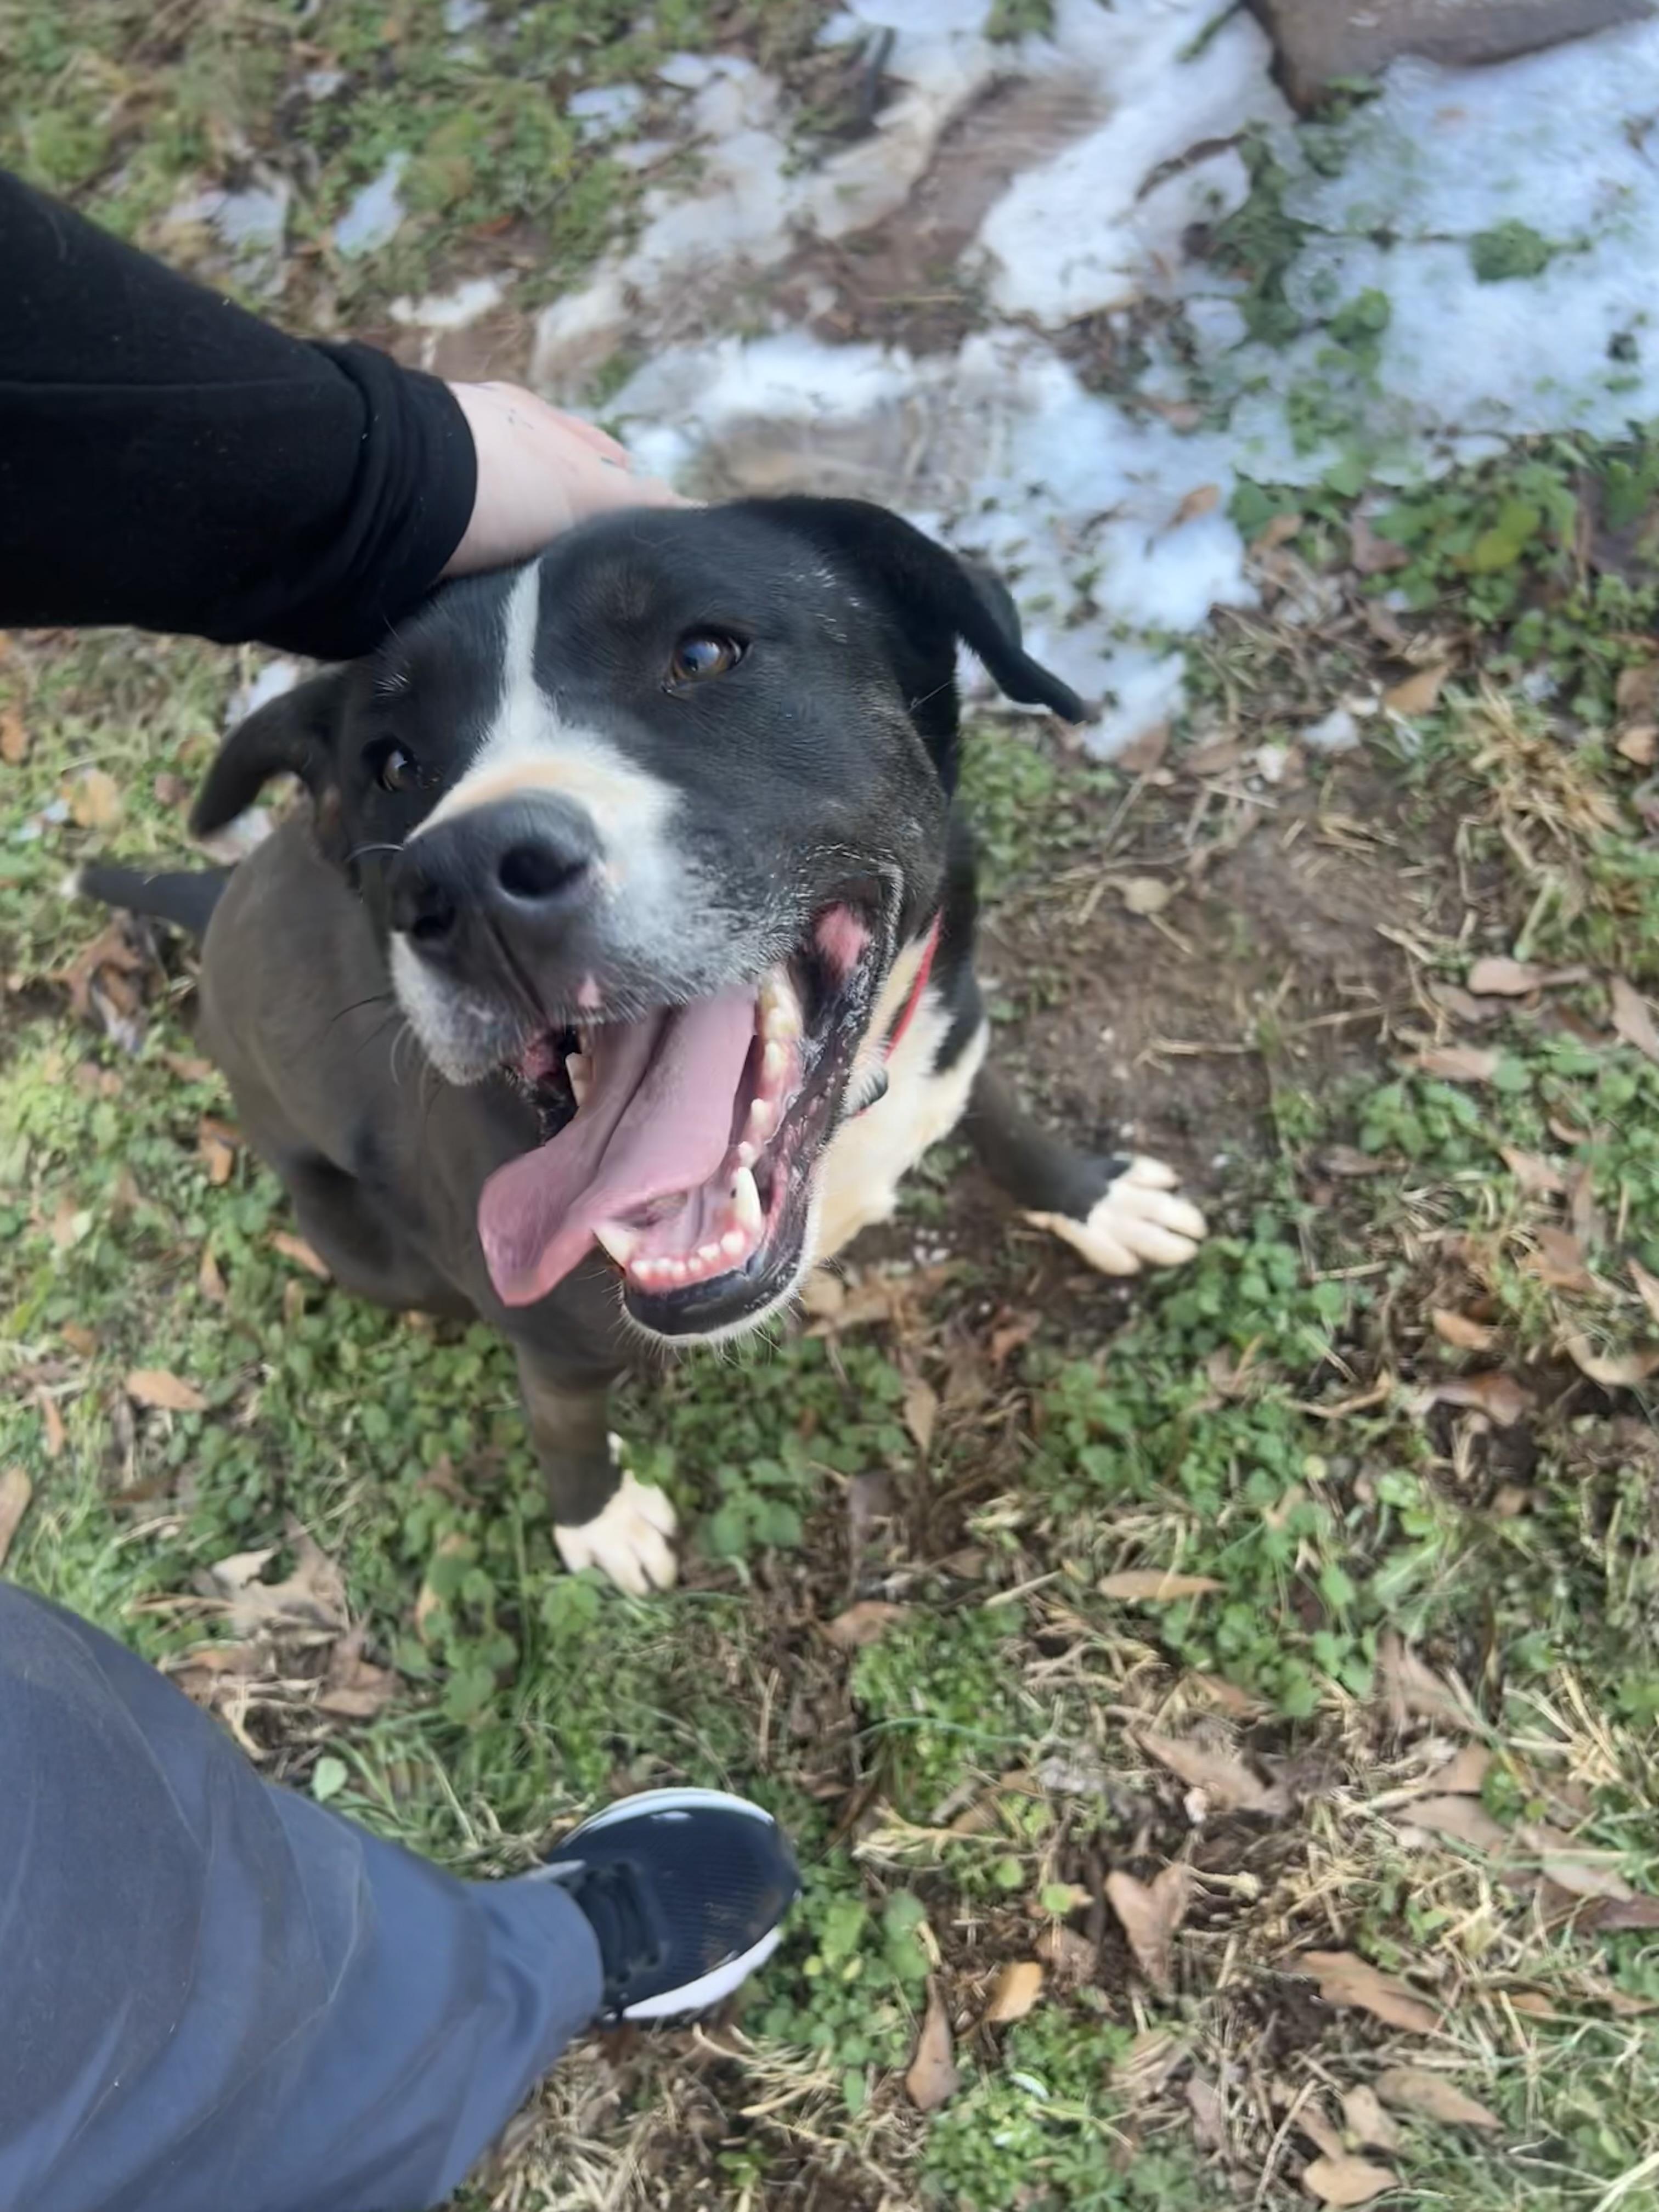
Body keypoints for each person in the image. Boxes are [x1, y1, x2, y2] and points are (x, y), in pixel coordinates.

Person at [0, 170, 800, 2212]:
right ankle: (521, 1943)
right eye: (397, 804)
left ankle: (496, 1972)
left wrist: (397, 475)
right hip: (388, 1165)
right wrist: (581, 1477)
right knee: (478, 1274)